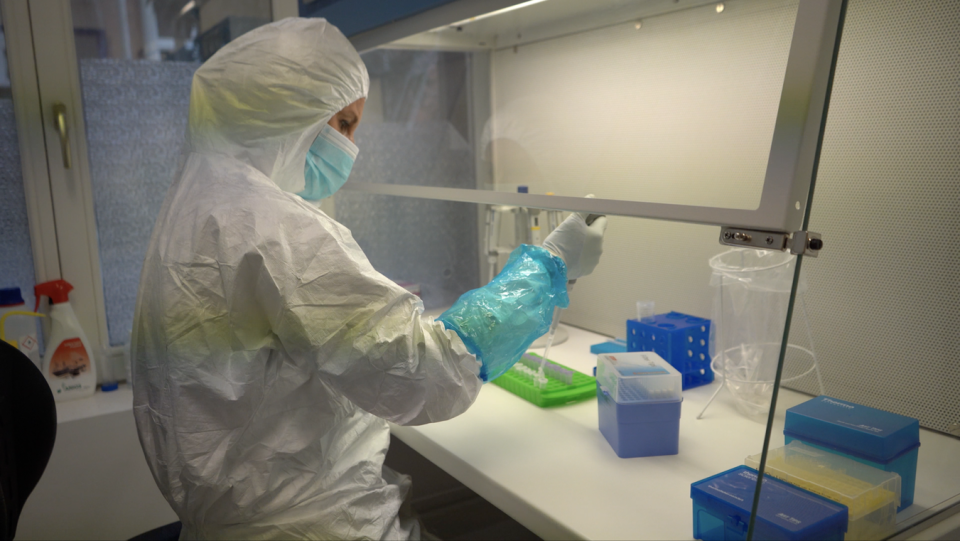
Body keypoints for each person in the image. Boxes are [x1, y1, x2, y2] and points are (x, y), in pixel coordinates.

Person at [132, 17, 607, 540]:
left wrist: (364, 310)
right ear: (293, 115)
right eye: (345, 124)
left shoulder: (195, 207)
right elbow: (425, 374)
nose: (352, 145)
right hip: (308, 528)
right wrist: (547, 268)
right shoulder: (274, 226)